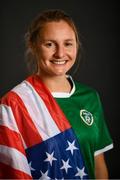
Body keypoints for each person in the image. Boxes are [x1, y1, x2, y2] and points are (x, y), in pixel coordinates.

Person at [0, 9, 113, 179]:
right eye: (50, 44)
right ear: (33, 45)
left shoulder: (90, 97)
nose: (60, 53)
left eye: (68, 43)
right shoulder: (14, 103)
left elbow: (98, 165)